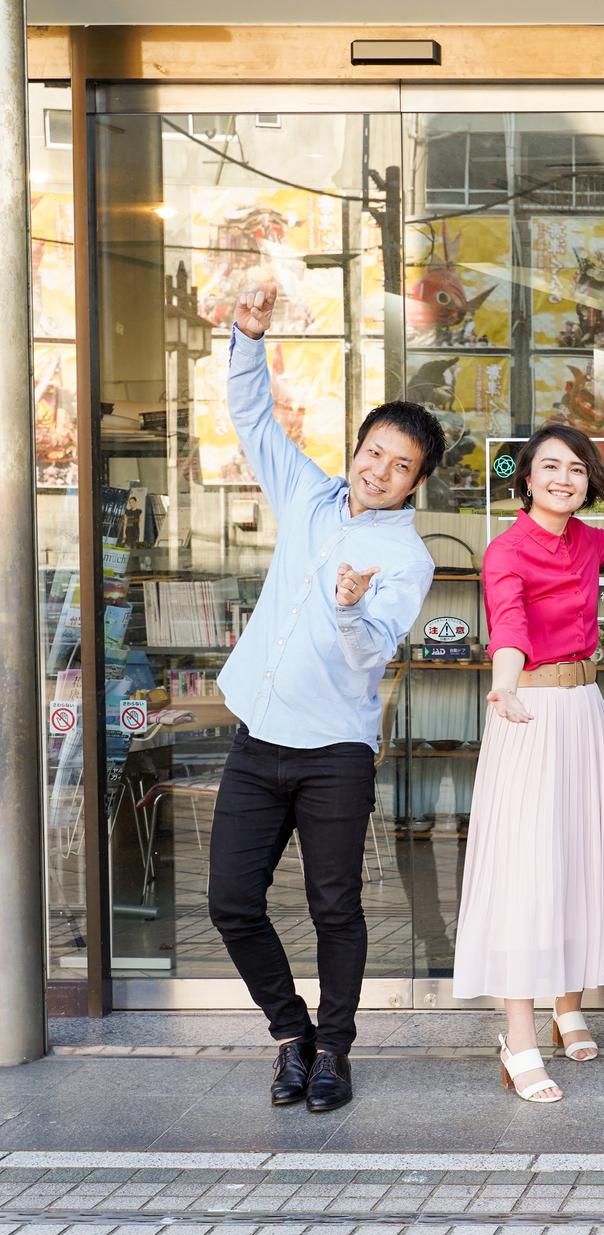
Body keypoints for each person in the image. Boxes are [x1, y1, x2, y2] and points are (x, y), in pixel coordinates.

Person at [208, 284, 445, 1113]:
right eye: (374, 452)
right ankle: (291, 1033)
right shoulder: (308, 494)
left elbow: (372, 651)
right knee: (230, 901)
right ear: (358, 447)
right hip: (259, 735)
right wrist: (248, 338)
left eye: (400, 466)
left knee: (334, 906)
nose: (380, 471)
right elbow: (253, 421)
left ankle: (335, 1050)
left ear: (416, 483)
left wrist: (349, 606)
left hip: (335, 752)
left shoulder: (408, 558)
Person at [452, 408, 604, 1103]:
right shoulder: (506, 550)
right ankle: (518, 1036)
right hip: (529, 711)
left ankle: (568, 1004)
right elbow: (509, 625)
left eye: (577, 468)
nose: (564, 478)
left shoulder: (583, 542)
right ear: (526, 479)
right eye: (550, 466)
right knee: (528, 868)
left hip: (584, 712)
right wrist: (506, 684)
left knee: (580, 854)